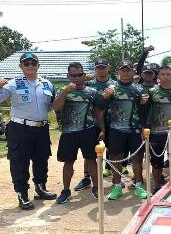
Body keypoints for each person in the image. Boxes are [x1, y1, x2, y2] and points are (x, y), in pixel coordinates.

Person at [0, 52, 57, 210]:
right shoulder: (12, 84)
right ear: (21, 66)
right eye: (26, 63)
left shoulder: (47, 84)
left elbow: (53, 105)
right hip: (20, 128)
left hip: (42, 128)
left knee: (41, 159)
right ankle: (22, 194)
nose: (30, 66)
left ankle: (40, 188)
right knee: (19, 162)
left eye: (33, 63)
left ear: (38, 66)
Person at [52, 62, 100, 203]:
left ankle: (96, 187)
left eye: (80, 75)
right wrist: (66, 91)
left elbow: (98, 112)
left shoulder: (91, 92)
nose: (77, 78)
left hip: (88, 131)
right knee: (68, 162)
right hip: (69, 132)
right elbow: (55, 107)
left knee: (91, 159)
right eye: (73, 75)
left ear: (84, 75)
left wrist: (101, 129)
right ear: (68, 76)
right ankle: (66, 190)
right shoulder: (63, 90)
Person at [101, 60, 149, 200]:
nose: (126, 72)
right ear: (118, 72)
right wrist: (105, 97)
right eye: (123, 69)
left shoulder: (139, 89)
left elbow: (143, 112)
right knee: (116, 158)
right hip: (115, 129)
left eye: (128, 69)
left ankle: (139, 186)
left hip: (134, 129)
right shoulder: (111, 88)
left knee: (137, 158)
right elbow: (100, 106)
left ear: (133, 72)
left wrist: (144, 103)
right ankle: (117, 186)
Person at [74, 58, 122, 189]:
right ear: (95, 69)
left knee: (114, 150)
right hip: (92, 122)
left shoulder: (116, 84)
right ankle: (86, 178)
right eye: (98, 67)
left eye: (103, 67)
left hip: (112, 122)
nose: (101, 69)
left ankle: (116, 177)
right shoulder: (89, 84)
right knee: (89, 152)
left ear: (108, 67)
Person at [144, 66, 171, 192]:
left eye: (168, 74)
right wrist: (145, 128)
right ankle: (157, 187)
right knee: (156, 161)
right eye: (163, 74)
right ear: (158, 76)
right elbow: (145, 112)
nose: (166, 77)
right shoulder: (151, 92)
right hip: (156, 132)